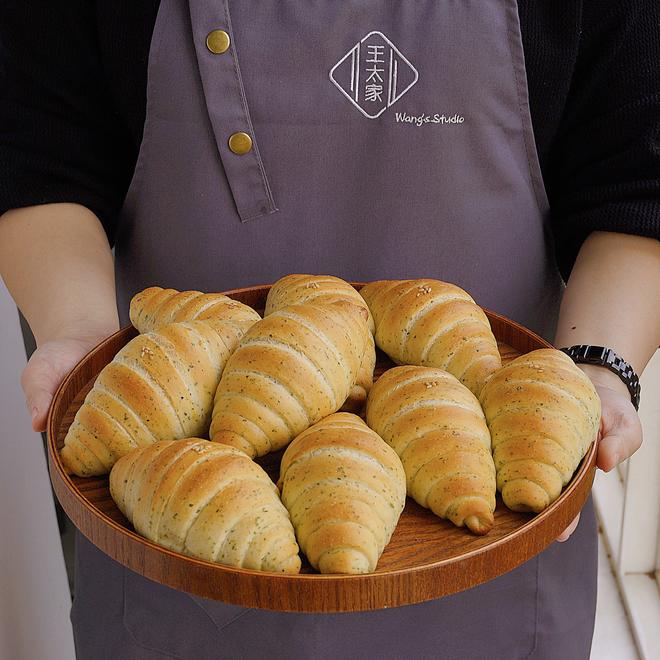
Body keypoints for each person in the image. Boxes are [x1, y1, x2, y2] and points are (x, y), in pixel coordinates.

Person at [1, 1, 659, 658]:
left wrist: (599, 366)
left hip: (494, 539)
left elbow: (639, 178)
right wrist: (80, 333)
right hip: (177, 530)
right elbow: (38, 150)